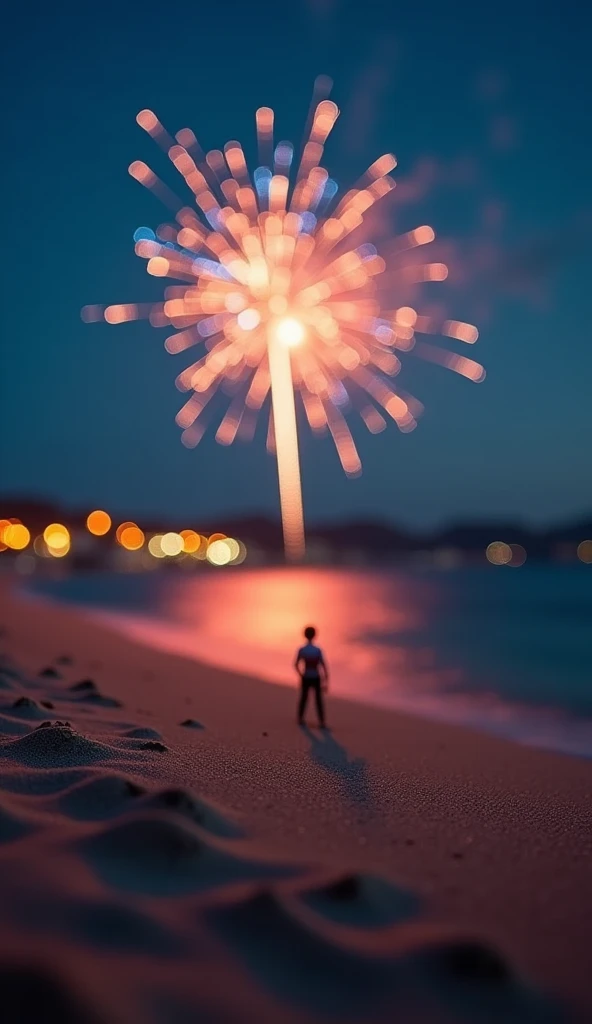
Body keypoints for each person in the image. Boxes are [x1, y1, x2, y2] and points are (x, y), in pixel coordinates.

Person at [294, 625, 329, 728]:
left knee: (304, 698)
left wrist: (301, 675)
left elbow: (296, 664)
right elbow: (324, 666)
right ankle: (322, 722)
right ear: (314, 635)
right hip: (316, 677)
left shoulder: (302, 649)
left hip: (306, 676)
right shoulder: (317, 650)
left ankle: (300, 718)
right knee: (318, 700)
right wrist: (326, 681)